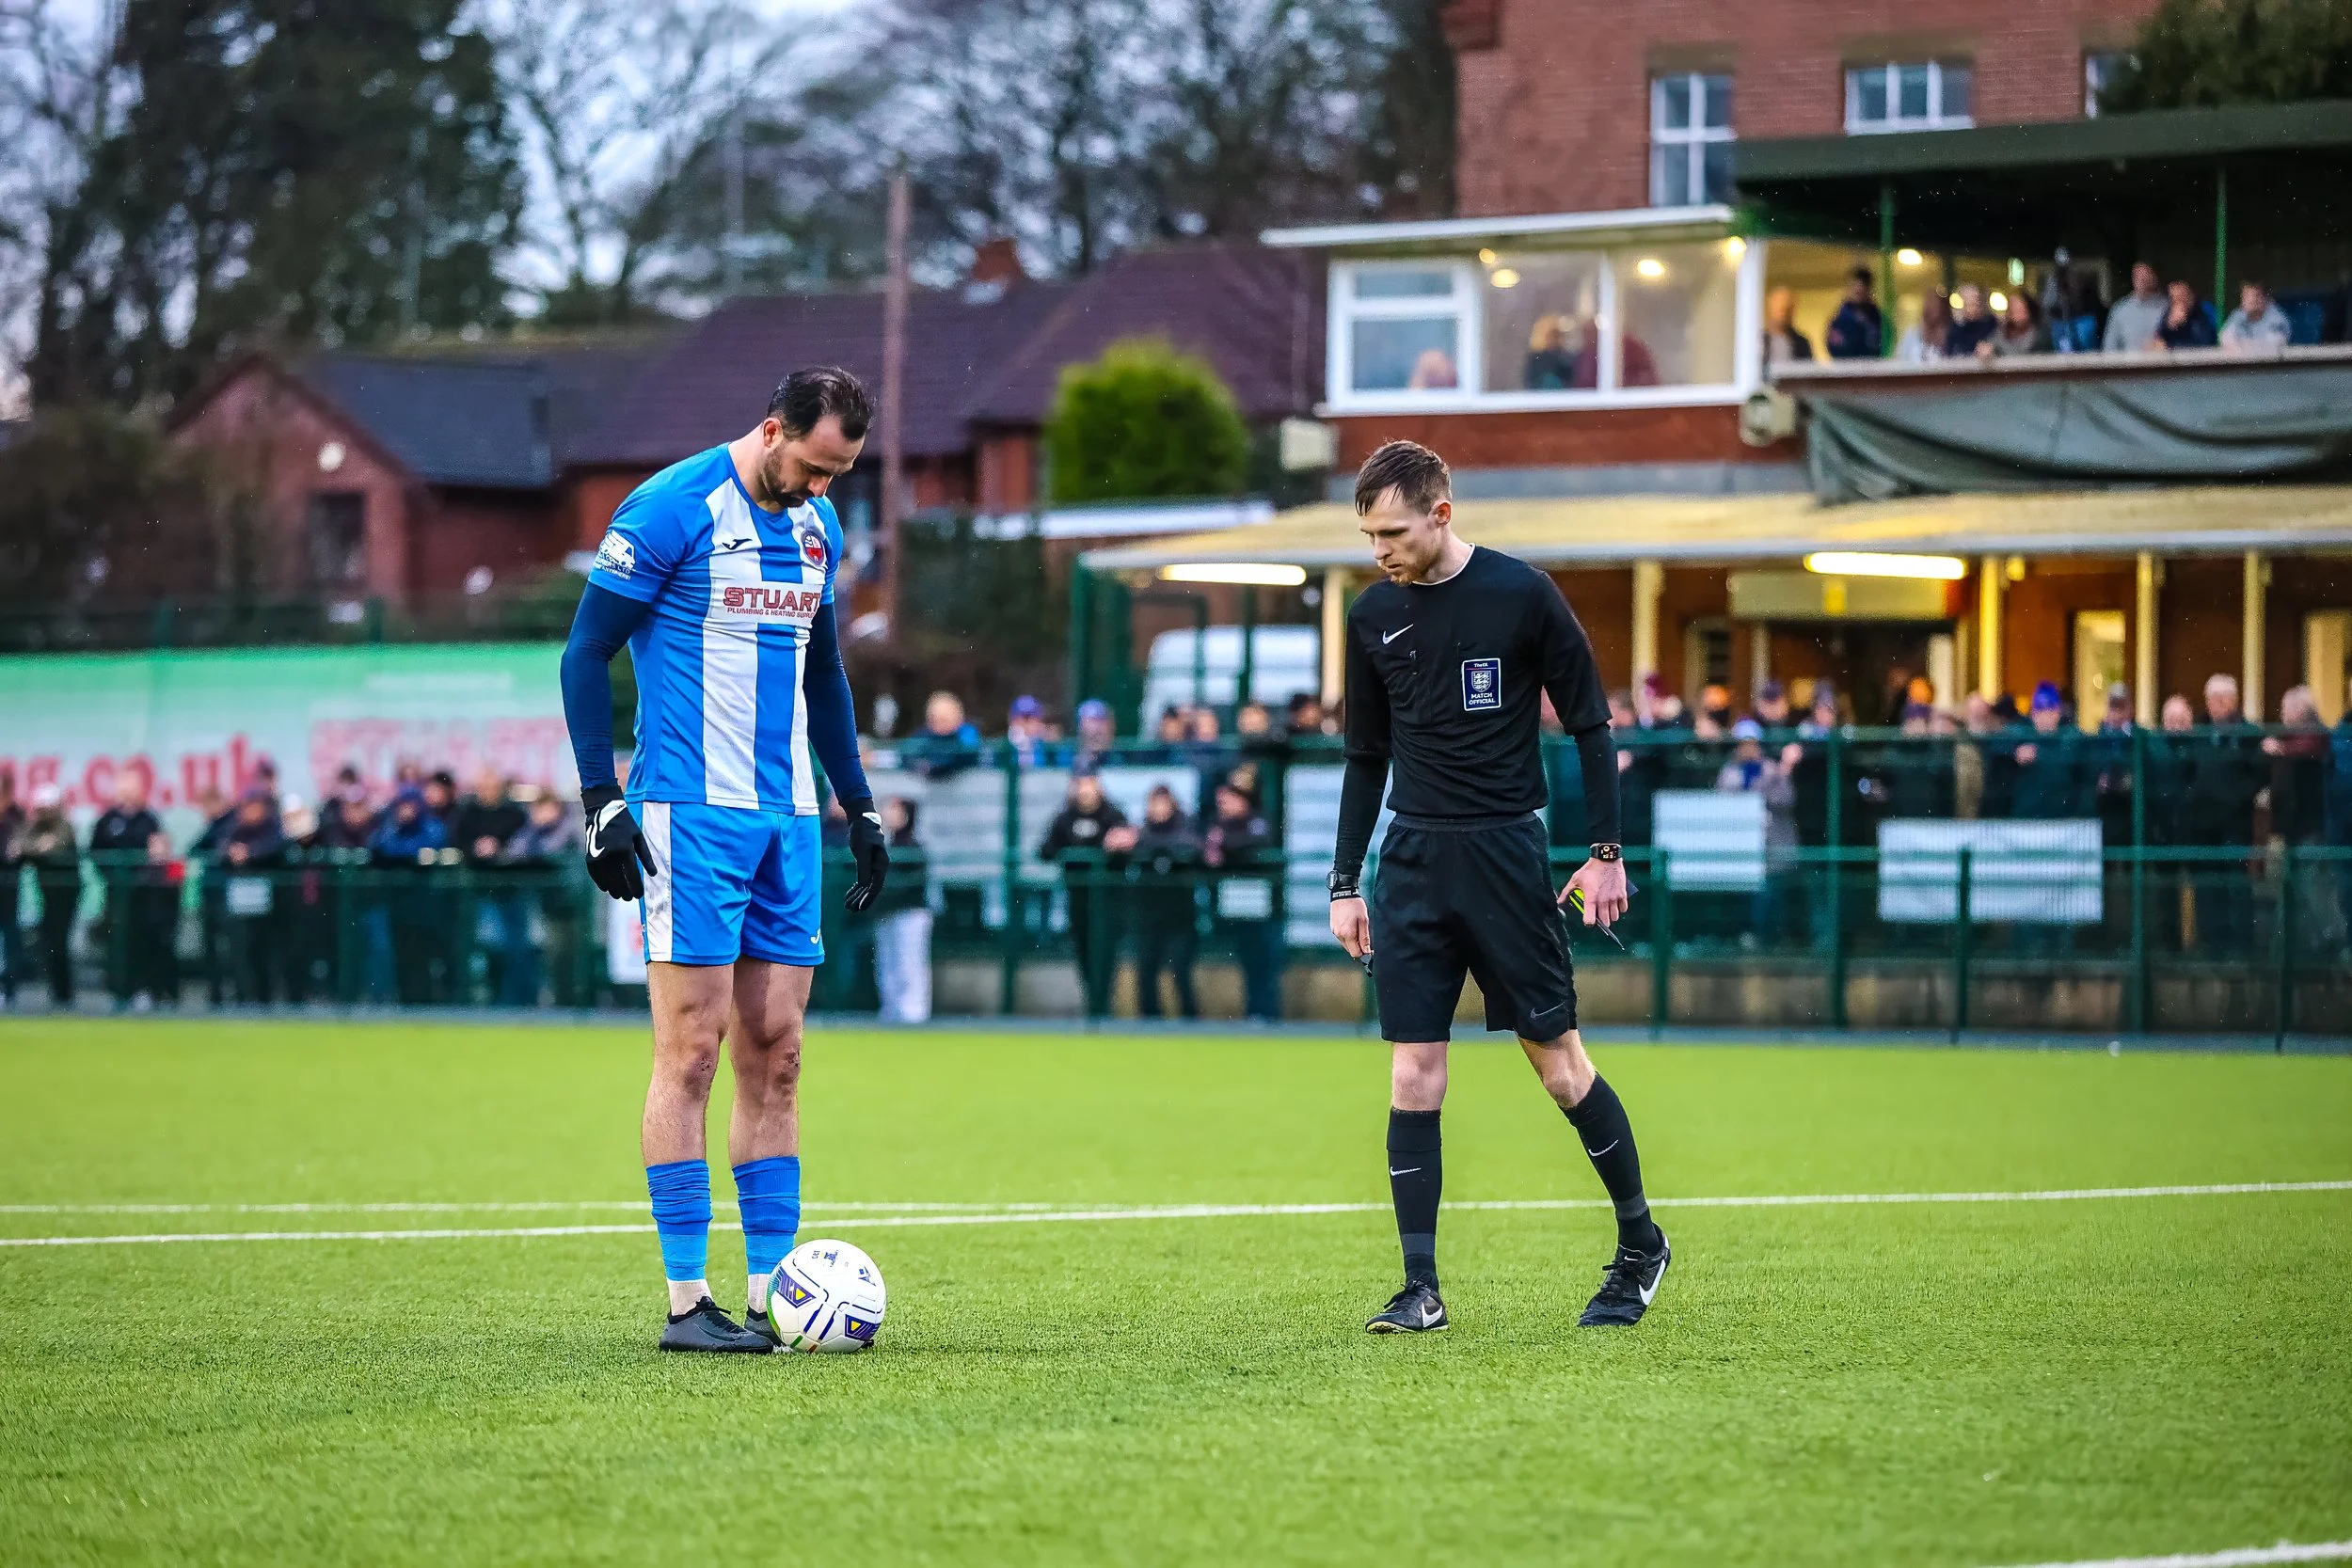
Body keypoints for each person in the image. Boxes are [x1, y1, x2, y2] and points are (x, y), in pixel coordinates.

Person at [560, 365, 888, 1354]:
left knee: (778, 1054)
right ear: (773, 429)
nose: (822, 489)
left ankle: (773, 1295)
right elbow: (584, 653)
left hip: (788, 818)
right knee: (692, 1050)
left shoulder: (818, 529)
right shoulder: (672, 506)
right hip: (688, 813)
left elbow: (823, 671)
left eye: (839, 475)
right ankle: (685, 1301)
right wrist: (600, 798)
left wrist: (860, 805)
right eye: (815, 466)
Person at [1329, 440, 1662, 1338]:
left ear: (1441, 514)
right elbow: (1364, 758)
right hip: (1411, 861)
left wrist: (1605, 853)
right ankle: (1420, 1287)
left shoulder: (1523, 594)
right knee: (1413, 1071)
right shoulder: (1371, 615)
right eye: (1369, 536)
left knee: (1557, 1063)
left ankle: (1641, 1244)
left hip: (1508, 855)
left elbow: (1591, 725)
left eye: (1394, 533)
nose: (1380, 551)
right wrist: (1344, 880)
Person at [2183, 673, 2265, 952]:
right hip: (2203, 825)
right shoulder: (2199, 732)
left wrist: (2238, 796)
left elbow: (2259, 773)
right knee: (2207, 886)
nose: (2213, 705)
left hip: (2234, 823)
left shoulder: (2248, 733)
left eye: (2218, 699)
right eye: (2209, 699)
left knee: (2236, 884)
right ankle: (2211, 945)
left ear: (2232, 700)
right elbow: (2189, 770)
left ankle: (2240, 947)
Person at [1039, 768, 1131, 1014]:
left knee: (1105, 952)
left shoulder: (1113, 815)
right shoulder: (1064, 818)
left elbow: (1127, 852)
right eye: (1080, 784)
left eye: (1089, 783)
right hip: (1078, 898)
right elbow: (1045, 850)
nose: (1085, 790)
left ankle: (1103, 1003)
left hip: (1108, 899)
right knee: (1083, 950)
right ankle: (1093, 1002)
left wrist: (1117, 847)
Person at [1117, 784, 1201, 1020]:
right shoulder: (1140, 833)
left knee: (1179, 969)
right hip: (1148, 915)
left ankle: (1190, 1020)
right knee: (1146, 969)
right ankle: (1150, 1020)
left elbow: (1194, 849)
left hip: (1180, 916)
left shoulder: (1185, 831)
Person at [89, 771, 173, 1009]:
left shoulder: (149, 820)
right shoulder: (107, 820)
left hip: (143, 893)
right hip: (117, 892)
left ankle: (143, 989)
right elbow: (96, 852)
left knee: (143, 940)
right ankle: (117, 990)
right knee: (116, 941)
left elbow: (159, 853)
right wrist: (114, 876)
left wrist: (148, 867)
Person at [453, 768, 532, 1006]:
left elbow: (526, 843)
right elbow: (454, 839)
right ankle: (489, 997)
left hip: (510, 890)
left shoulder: (514, 813)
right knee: (487, 947)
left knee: (515, 948)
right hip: (477, 890)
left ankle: (515, 999)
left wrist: (500, 849)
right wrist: (475, 849)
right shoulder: (467, 812)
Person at [1203, 780, 1281, 1022]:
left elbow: (1254, 841)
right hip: (1235, 903)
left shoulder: (1256, 822)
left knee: (1264, 961)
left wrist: (1224, 847)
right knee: (1247, 960)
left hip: (1261, 904)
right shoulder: (1220, 824)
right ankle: (1253, 1010)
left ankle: (1267, 1011)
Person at [1716, 719, 1798, 945]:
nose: (1747, 748)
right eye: (1743, 743)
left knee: (1772, 893)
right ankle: (1748, 935)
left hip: (1772, 845)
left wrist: (1772, 781)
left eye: (1751, 743)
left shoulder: (1772, 769)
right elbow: (1723, 801)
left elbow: (1787, 799)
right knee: (1745, 897)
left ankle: (1770, 939)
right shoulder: (1730, 771)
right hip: (1740, 847)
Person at [502, 791, 583, 1006]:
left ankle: (566, 1001)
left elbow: (551, 852)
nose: (542, 814)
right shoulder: (530, 833)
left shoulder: (568, 830)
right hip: (537, 906)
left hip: (566, 907)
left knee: (564, 958)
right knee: (540, 955)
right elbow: (514, 852)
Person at [215, 788, 289, 1003]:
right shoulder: (233, 828)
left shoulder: (273, 828)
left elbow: (276, 848)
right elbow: (220, 847)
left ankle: (265, 997)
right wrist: (233, 852)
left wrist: (250, 853)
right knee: (240, 950)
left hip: (270, 905)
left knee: (266, 951)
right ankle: (244, 996)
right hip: (239, 902)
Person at [868, 798, 933, 1022]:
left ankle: (913, 1014)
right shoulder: (887, 845)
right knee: (887, 965)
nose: (888, 813)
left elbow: (911, 885)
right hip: (886, 914)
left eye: (895, 809)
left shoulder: (913, 847)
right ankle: (891, 1011)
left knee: (909, 964)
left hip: (910, 913)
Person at [23, 784, 80, 1007]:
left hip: (65, 894)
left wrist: (39, 848)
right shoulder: (35, 828)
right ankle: (57, 992)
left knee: (59, 942)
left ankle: (63, 993)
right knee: (49, 942)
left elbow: (55, 846)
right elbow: (22, 847)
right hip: (46, 894)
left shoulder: (65, 827)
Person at [901, 691, 982, 780]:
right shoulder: (922, 737)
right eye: (936, 720)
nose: (941, 725)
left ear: (959, 718)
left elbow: (967, 757)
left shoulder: (966, 735)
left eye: (945, 719)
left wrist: (935, 767)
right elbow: (908, 757)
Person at [2102, 262, 2169, 353]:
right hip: (2129, 361)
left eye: (2145, 276)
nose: (2142, 280)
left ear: (2154, 278)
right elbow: (2110, 347)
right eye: (2138, 276)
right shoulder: (2120, 309)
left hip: (2160, 361)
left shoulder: (2166, 307)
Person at [1823, 266, 1884, 360]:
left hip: (1874, 367)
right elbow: (1835, 349)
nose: (1859, 290)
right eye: (1855, 289)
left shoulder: (1879, 321)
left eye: (1863, 289)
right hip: (1847, 367)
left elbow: (1885, 348)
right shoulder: (1840, 321)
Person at [2220, 279, 2293, 353]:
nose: (2251, 300)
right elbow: (2225, 340)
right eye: (2246, 295)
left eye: (2256, 295)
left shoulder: (2277, 318)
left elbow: (2274, 346)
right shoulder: (2238, 315)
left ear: (2266, 298)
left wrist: (2243, 345)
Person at [0, 768, 22, 1006]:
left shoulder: (15, 815)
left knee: (10, 939)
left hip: (8, 888)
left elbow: (18, 851)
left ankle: (8, 988)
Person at [1761, 285, 1814, 372]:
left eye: (1789, 310)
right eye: (1782, 309)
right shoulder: (1758, 342)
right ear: (1771, 309)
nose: (1785, 314)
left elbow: (1808, 372)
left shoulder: (1802, 343)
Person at [2154, 280, 2217, 350]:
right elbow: (2159, 337)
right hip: (2176, 353)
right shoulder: (2168, 312)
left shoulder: (2204, 309)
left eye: (2181, 297)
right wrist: (2170, 326)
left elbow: (2204, 340)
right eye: (2174, 298)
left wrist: (2186, 319)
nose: (2178, 302)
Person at [1985, 292, 2049, 357]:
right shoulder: (2000, 333)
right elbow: (1989, 345)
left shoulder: (2040, 335)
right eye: (2013, 310)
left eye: (2020, 310)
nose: (2016, 316)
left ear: (2029, 311)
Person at [1523, 315, 1580, 389]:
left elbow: (1571, 378)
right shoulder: (1536, 357)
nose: (1553, 339)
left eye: (1556, 336)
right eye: (1551, 336)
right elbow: (1530, 380)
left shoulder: (1565, 357)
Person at [1896, 291, 1953, 362]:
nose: (1933, 311)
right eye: (1930, 307)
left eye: (1936, 307)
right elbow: (1900, 360)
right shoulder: (1912, 334)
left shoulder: (1950, 335)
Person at [1947, 284, 1997, 357]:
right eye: (1967, 303)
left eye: (1974, 303)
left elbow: (1997, 344)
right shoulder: (1956, 328)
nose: (1971, 308)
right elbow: (1950, 351)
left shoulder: (1991, 324)